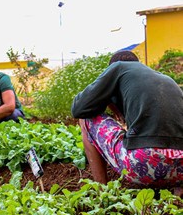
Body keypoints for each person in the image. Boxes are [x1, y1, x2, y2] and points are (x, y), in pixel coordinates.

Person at [71, 51, 183, 194]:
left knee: (86, 118)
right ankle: (177, 193)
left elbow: (79, 108)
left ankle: (102, 192)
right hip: (180, 169)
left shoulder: (118, 67)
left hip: (144, 165)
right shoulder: (166, 79)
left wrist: (106, 96)